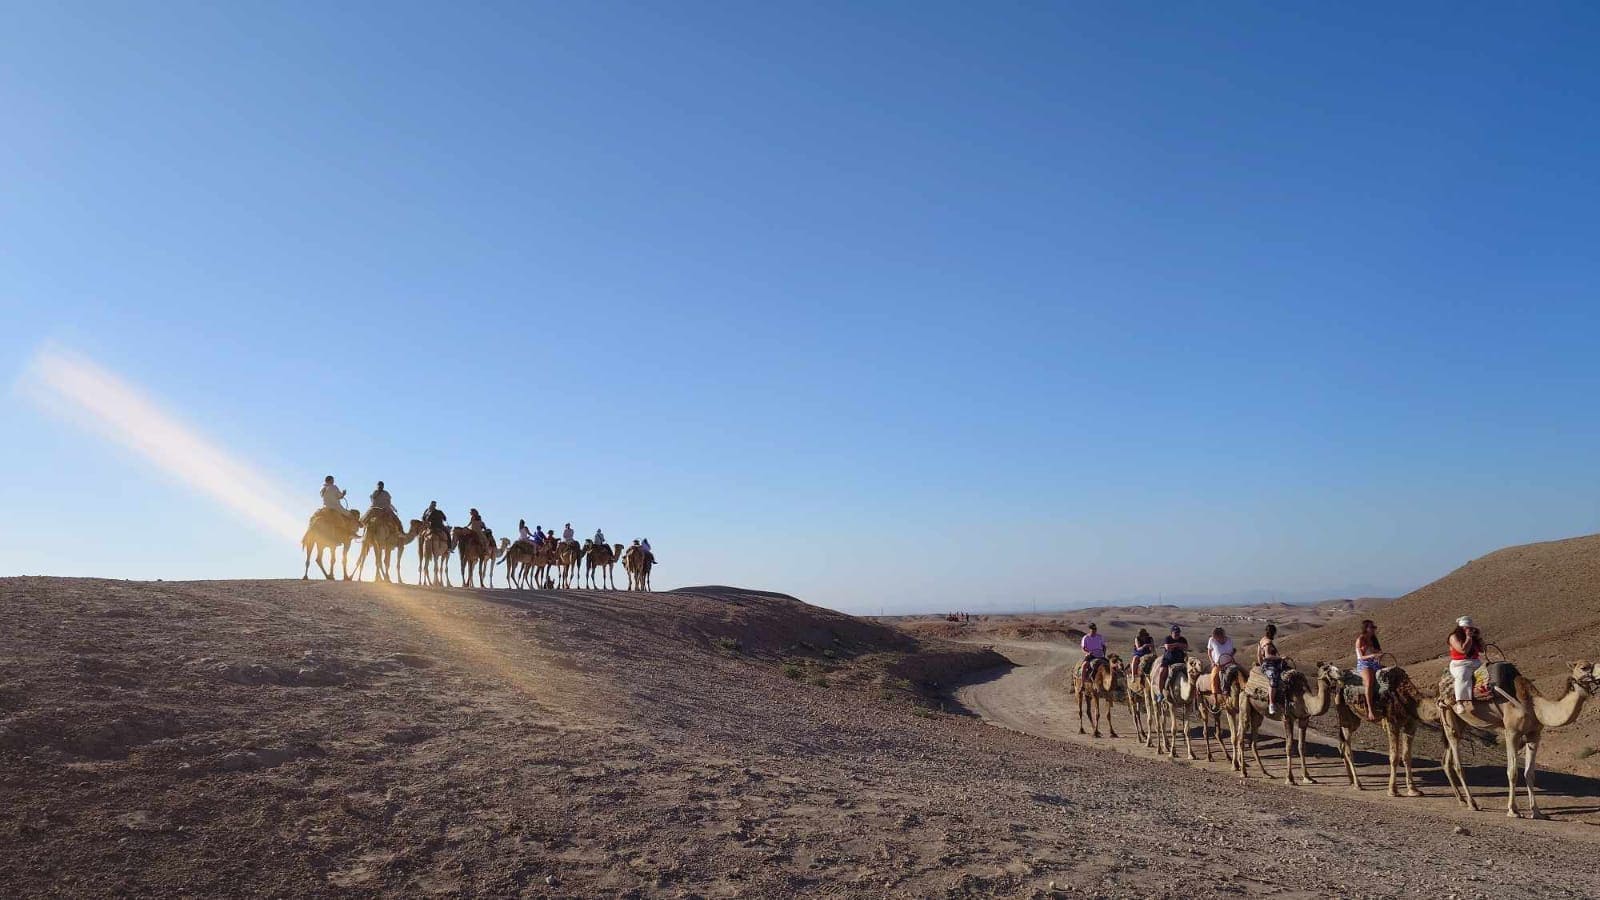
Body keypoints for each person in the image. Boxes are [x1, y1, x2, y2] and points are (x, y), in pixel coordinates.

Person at [1448, 616, 1484, 714]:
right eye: (1467, 628)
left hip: (1475, 662)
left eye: (1470, 628)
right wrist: (1468, 638)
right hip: (1460, 664)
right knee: (1463, 675)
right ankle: (1460, 702)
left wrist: (1478, 639)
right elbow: (1463, 650)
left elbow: (1482, 650)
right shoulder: (1454, 637)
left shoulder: (1473, 637)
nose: (1469, 630)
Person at [1355, 619, 1383, 722]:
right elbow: (1360, 657)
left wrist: (1379, 655)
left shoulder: (1374, 639)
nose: (1373, 629)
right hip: (1364, 664)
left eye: (1374, 627)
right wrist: (1373, 655)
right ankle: (1370, 710)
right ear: (1366, 629)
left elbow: (1379, 651)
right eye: (1371, 627)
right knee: (1369, 682)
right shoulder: (1360, 640)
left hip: (1374, 662)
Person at [1153, 626, 1188, 702]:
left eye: (1178, 632)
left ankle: (1193, 694)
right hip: (1168, 661)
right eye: (1175, 633)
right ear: (1171, 633)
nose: (1177, 634)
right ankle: (1160, 693)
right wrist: (1178, 645)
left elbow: (1186, 647)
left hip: (1180, 661)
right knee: (1162, 672)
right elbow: (1167, 647)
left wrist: (1175, 645)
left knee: (1192, 674)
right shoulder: (1168, 638)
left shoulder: (1183, 639)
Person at [1256, 623, 1284, 715]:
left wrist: (1261, 664)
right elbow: (1267, 656)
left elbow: (1258, 655)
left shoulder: (1262, 640)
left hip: (1267, 664)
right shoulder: (1267, 642)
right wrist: (1280, 658)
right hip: (1269, 665)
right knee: (1273, 679)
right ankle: (1271, 704)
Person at [1207, 627, 1235, 696]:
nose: (1217, 639)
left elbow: (1231, 652)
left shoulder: (1229, 640)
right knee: (1214, 678)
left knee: (1242, 671)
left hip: (1229, 663)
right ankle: (1215, 698)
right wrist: (1212, 662)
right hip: (1218, 664)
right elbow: (1209, 652)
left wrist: (1232, 656)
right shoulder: (1212, 640)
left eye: (1218, 637)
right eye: (1216, 637)